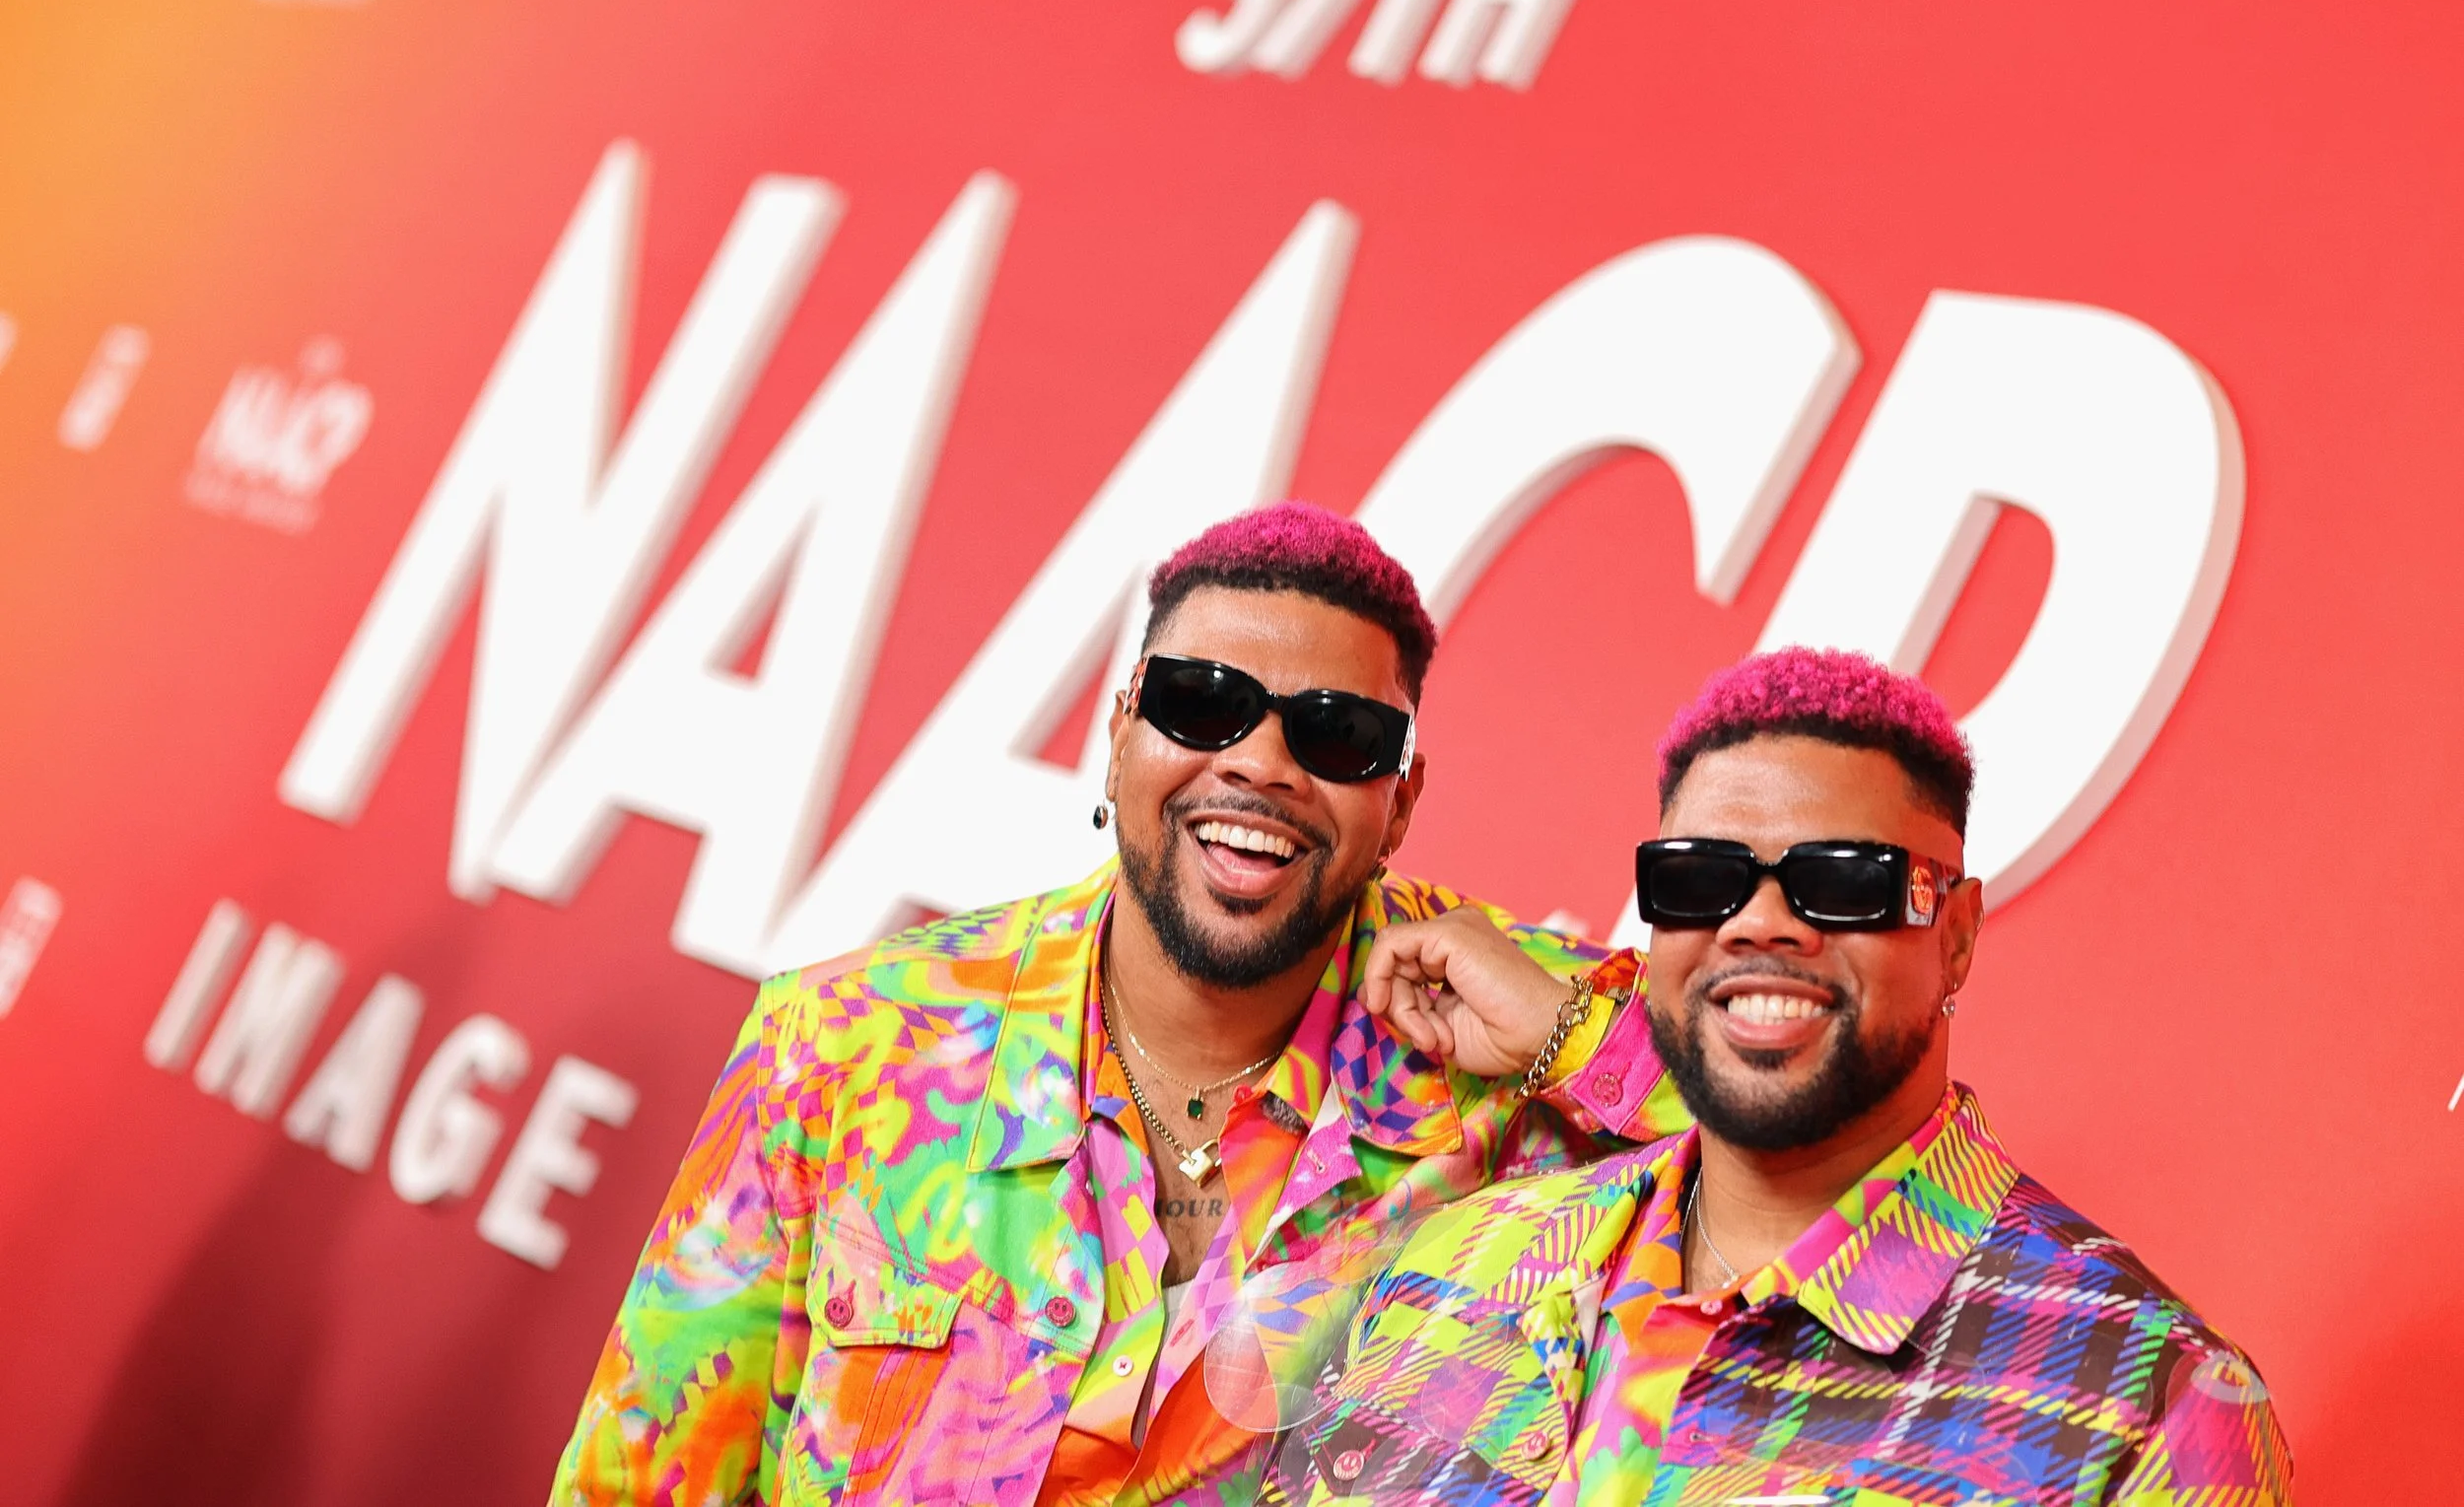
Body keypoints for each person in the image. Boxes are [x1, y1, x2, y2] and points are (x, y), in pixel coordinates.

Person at [548, 502, 1679, 1507]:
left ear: (1399, 802)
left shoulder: (1532, 1058)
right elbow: (639, 1476)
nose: (1261, 763)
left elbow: (1834, 1210)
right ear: (1120, 733)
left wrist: (1577, 1044)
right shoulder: (848, 1040)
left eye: (1335, 733)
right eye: (1204, 704)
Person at [1250, 648, 2293, 1506]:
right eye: (1698, 879)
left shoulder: (2150, 1404)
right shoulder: (1458, 1256)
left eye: (1844, 881)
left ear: (1959, 934)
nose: (1755, 921)